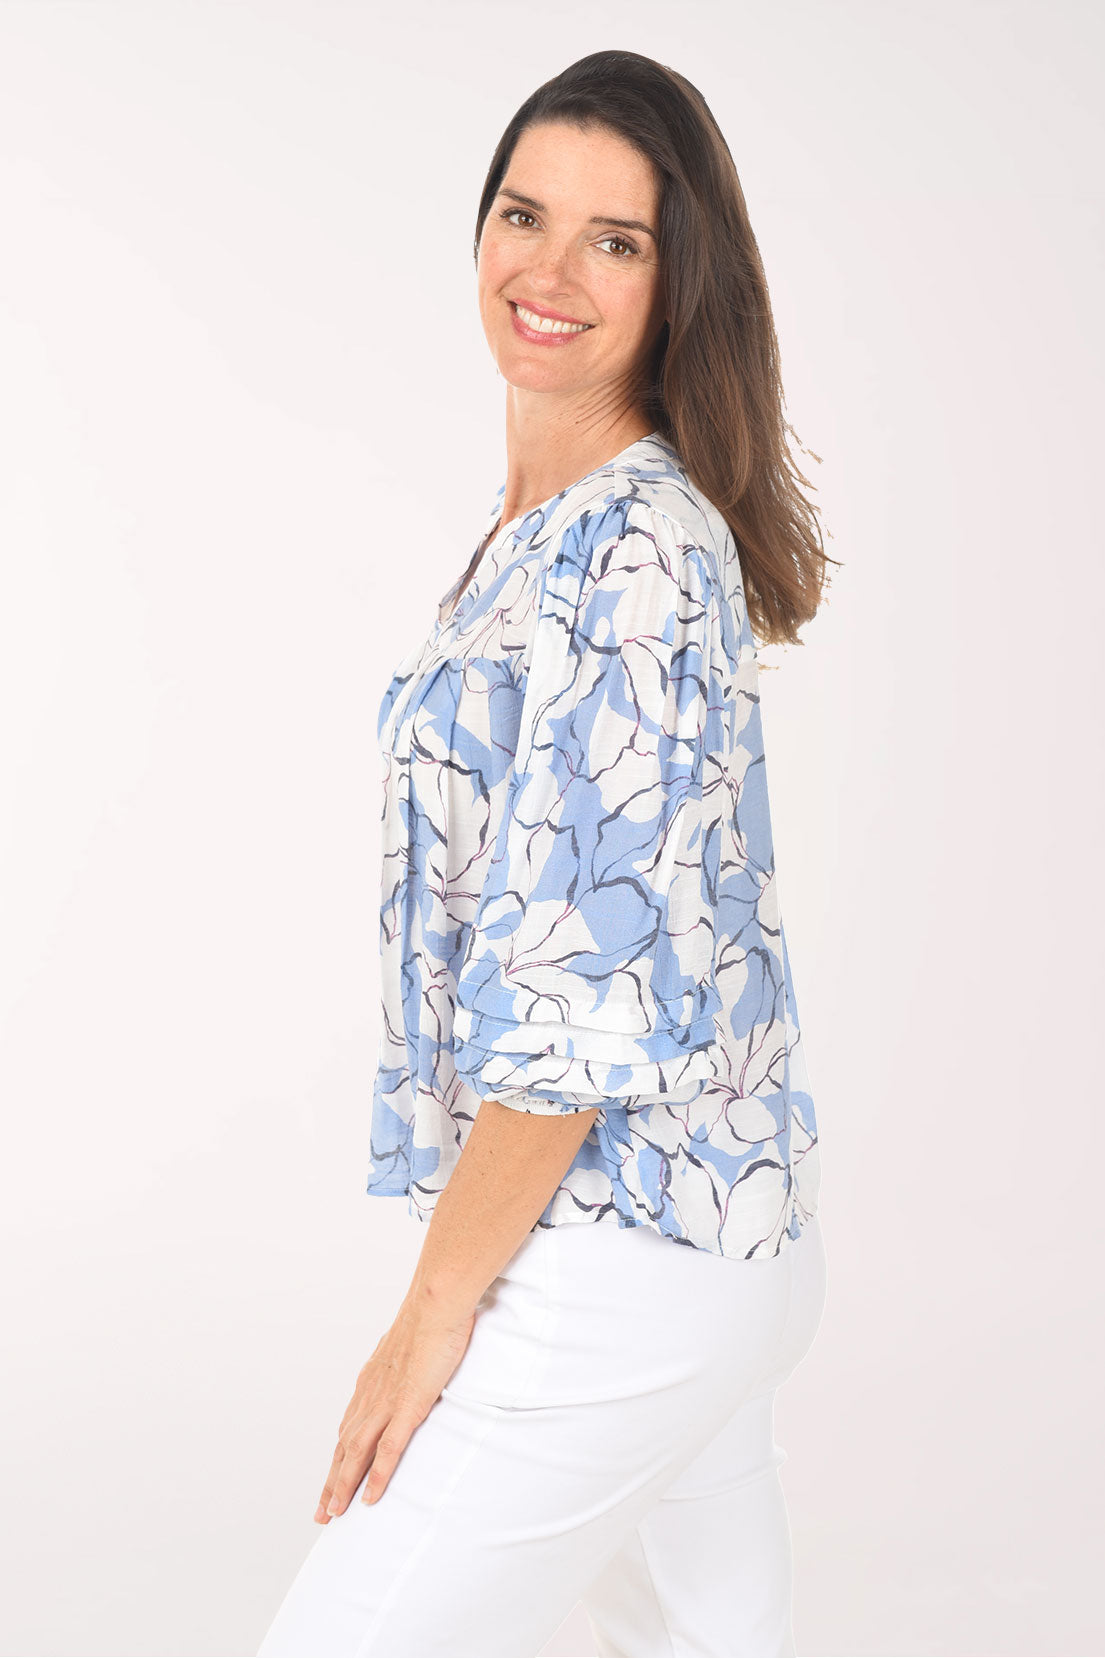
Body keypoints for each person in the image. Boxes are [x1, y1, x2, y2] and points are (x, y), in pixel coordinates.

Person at [256, 47, 838, 1658]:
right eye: (525, 213)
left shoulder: (636, 552)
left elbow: (573, 1014)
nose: (550, 269)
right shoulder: (551, 529)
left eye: (616, 239)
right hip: (713, 1234)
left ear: (677, 281)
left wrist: (426, 1324)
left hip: (630, 1253)